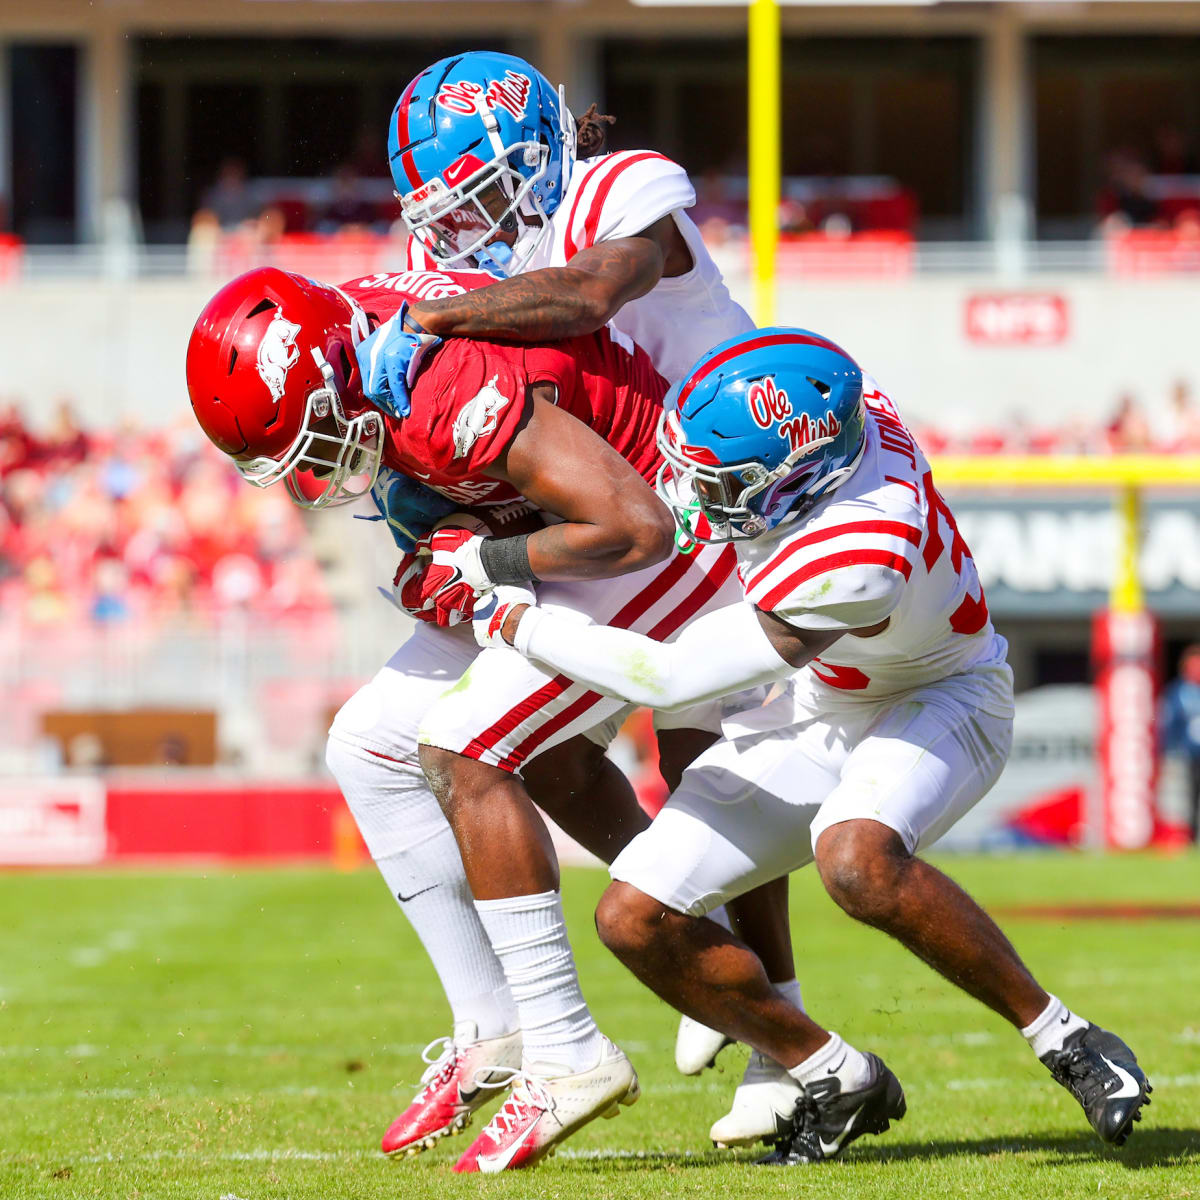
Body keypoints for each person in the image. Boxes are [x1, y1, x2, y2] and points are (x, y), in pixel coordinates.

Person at [475, 327, 1153, 1160]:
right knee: (633, 917)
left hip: (939, 696)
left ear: (807, 479)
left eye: (727, 484)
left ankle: (1064, 1037)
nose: (700, 497)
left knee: (855, 861)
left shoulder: (862, 547)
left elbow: (670, 678)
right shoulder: (837, 421)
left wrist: (516, 618)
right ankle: (833, 1073)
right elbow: (788, 377)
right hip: (823, 697)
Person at [185, 265, 764, 1171]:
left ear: (341, 369)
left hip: (661, 544)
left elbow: (636, 526)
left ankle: (570, 1050)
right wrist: (459, 556)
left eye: (314, 438)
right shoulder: (358, 351)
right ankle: (493, 1025)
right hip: (574, 539)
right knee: (366, 745)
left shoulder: (443, 386)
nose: (311, 471)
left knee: (466, 745)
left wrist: (481, 558)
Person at [368, 47, 799, 1136]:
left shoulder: (617, 187)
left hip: (724, 474)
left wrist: (430, 322)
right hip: (616, 481)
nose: (466, 229)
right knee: (542, 749)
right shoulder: (469, 249)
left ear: (540, 153)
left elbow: (593, 293)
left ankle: (774, 1016)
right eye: (446, 211)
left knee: (701, 741)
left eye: (486, 195)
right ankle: (736, 981)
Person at [1163, 643, 1200, 844]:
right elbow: (1171, 724)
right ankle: (1190, 838)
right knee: (1188, 798)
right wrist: (1171, 751)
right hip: (1190, 755)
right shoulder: (1179, 692)